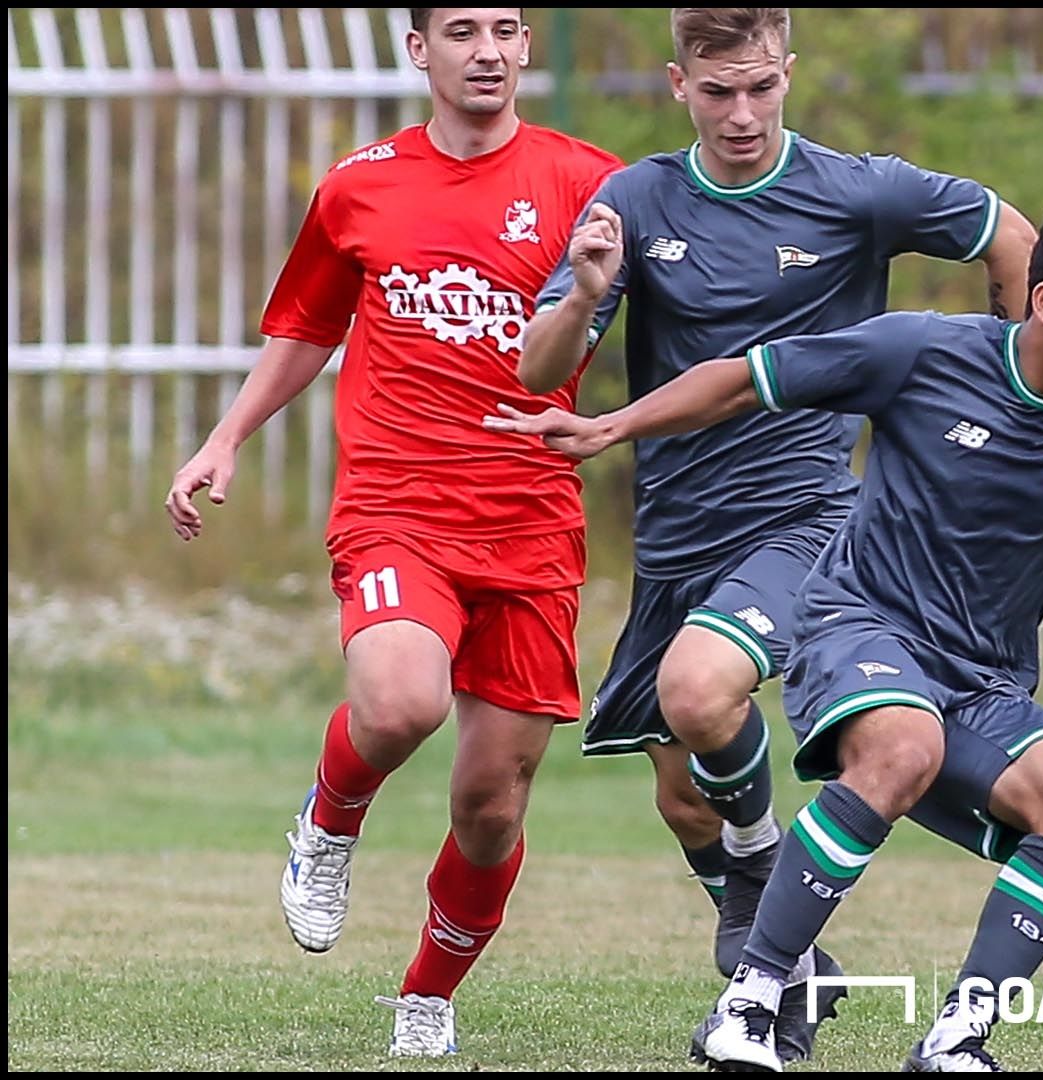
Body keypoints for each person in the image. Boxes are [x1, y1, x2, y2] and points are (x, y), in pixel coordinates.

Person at [484, 197, 1043, 1072]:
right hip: (855, 624)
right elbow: (751, 376)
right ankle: (748, 1007)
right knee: (901, 746)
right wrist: (614, 424)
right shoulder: (923, 352)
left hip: (983, 680)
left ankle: (959, 1039)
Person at [517, 8, 1037, 1061]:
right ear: (678, 85)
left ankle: (762, 921)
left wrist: (1012, 385)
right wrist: (579, 294)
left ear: (788, 73)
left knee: (702, 691)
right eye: (718, 92)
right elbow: (537, 371)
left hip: (810, 519)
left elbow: (1010, 234)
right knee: (682, 794)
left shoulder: (858, 190)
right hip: (675, 540)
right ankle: (787, 963)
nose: (743, 113)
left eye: (761, 87)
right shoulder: (633, 201)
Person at [164, 7, 621, 1058]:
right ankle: (328, 822)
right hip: (397, 505)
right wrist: (224, 438)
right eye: (462, 29)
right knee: (403, 698)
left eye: (507, 26)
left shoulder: (589, 182)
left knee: (491, 807)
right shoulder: (360, 184)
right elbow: (307, 327)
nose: (491, 49)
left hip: (532, 522)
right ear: (420, 51)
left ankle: (426, 997)